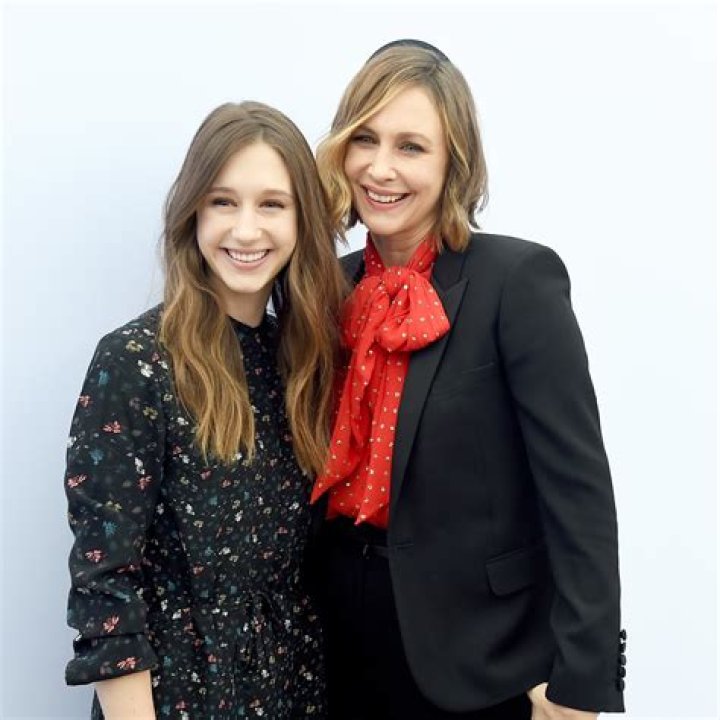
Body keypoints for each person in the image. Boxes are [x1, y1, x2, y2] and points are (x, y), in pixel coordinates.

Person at [309, 40, 626, 720]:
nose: (381, 168)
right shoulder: (327, 289)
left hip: (483, 661)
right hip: (334, 649)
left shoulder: (518, 281)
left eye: (411, 147)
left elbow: (579, 497)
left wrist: (580, 682)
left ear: (454, 163)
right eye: (365, 139)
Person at [64, 101, 347, 719]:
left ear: (301, 220)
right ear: (193, 211)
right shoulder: (136, 362)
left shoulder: (305, 364)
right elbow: (105, 585)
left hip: (294, 690)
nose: (246, 230)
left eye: (271, 204)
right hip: (179, 697)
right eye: (223, 202)